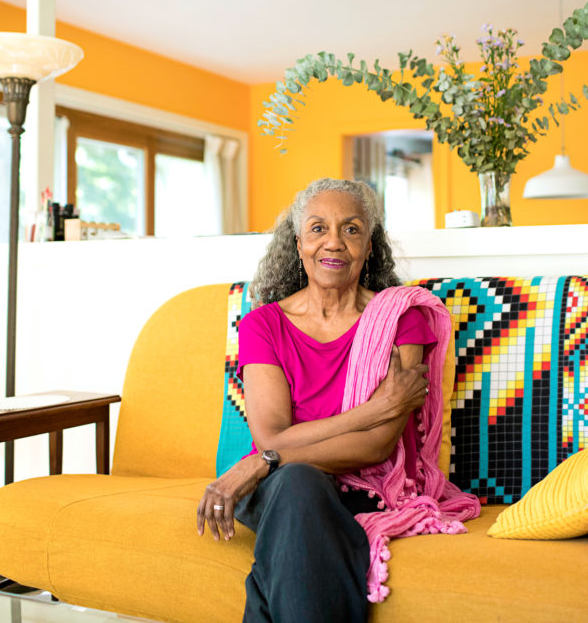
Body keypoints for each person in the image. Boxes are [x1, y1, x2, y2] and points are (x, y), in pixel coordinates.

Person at [197, 178, 476, 622]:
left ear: (370, 244)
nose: (333, 242)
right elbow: (272, 434)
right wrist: (371, 410)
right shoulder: (263, 325)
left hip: (364, 489)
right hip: (274, 487)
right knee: (298, 484)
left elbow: (376, 446)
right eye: (317, 228)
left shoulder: (399, 319)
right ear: (298, 243)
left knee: (297, 491)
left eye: (350, 229)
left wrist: (262, 460)